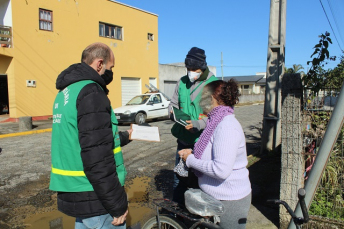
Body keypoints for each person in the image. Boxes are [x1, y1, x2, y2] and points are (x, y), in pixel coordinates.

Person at [49, 42, 131, 229]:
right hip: (95, 196)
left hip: (76, 191)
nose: (111, 72)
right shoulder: (92, 92)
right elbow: (97, 157)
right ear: (99, 64)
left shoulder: (65, 92)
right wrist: (117, 204)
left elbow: (88, 139)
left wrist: (127, 136)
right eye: (111, 67)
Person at [178, 79, 252, 229]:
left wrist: (190, 160)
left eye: (203, 96)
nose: (200, 101)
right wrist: (192, 152)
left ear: (212, 98)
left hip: (230, 201)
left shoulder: (226, 126)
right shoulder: (215, 121)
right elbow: (214, 151)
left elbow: (221, 169)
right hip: (217, 198)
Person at [168, 47, 218, 204]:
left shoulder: (214, 84)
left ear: (203, 67)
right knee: (179, 179)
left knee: (199, 183)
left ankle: (198, 217)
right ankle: (178, 214)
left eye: (194, 69)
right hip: (182, 140)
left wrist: (198, 123)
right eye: (188, 69)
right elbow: (173, 103)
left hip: (202, 144)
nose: (190, 72)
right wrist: (172, 113)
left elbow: (217, 116)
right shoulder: (182, 82)